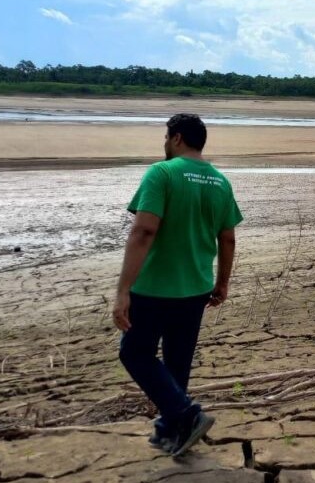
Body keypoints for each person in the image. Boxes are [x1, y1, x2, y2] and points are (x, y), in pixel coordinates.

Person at [113, 113, 242, 457]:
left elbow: (144, 231)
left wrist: (123, 289)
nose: (164, 143)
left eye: (166, 136)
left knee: (134, 352)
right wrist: (222, 282)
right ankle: (170, 430)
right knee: (176, 363)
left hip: (155, 287)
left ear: (178, 138)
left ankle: (186, 414)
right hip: (196, 287)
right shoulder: (220, 181)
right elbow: (227, 238)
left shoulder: (162, 173)